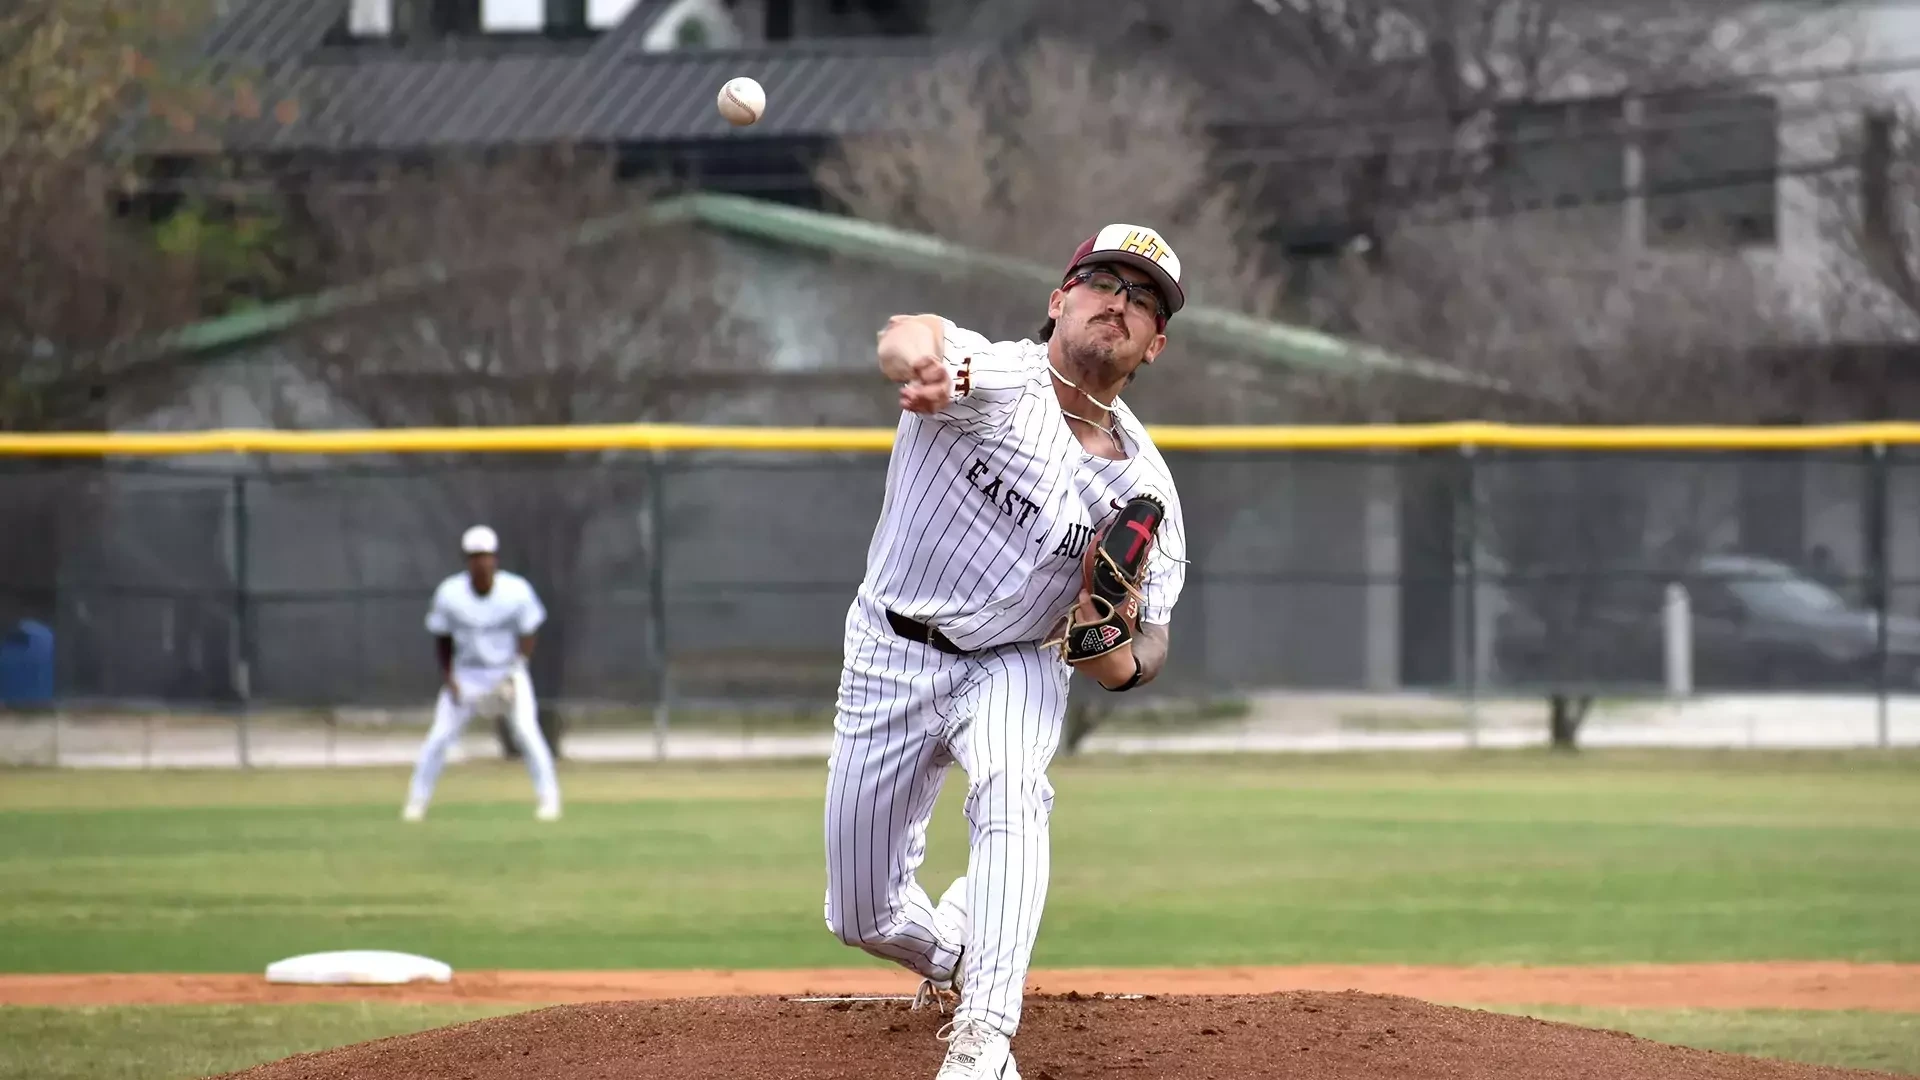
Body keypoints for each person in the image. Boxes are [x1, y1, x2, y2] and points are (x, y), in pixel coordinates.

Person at [822, 225, 1190, 1080]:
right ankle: (954, 950)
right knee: (861, 916)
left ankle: (986, 1037)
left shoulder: (1146, 489)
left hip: (1015, 660)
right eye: (1104, 282)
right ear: (1059, 300)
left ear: (1156, 345)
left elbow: (1153, 640)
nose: (1121, 302)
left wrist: (1113, 657)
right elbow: (915, 333)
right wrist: (920, 364)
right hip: (891, 648)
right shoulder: (995, 381)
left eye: (1143, 300)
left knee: (1014, 788)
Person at [402, 524, 561, 822]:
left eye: (486, 555)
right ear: (467, 560)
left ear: (495, 559)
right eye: (475, 556)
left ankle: (549, 799)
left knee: (527, 732)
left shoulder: (515, 590)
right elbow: (442, 638)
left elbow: (529, 631)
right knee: (439, 737)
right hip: (467, 674)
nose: (481, 562)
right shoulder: (450, 594)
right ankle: (416, 802)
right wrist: (449, 679)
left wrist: (516, 670)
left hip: (507, 672)